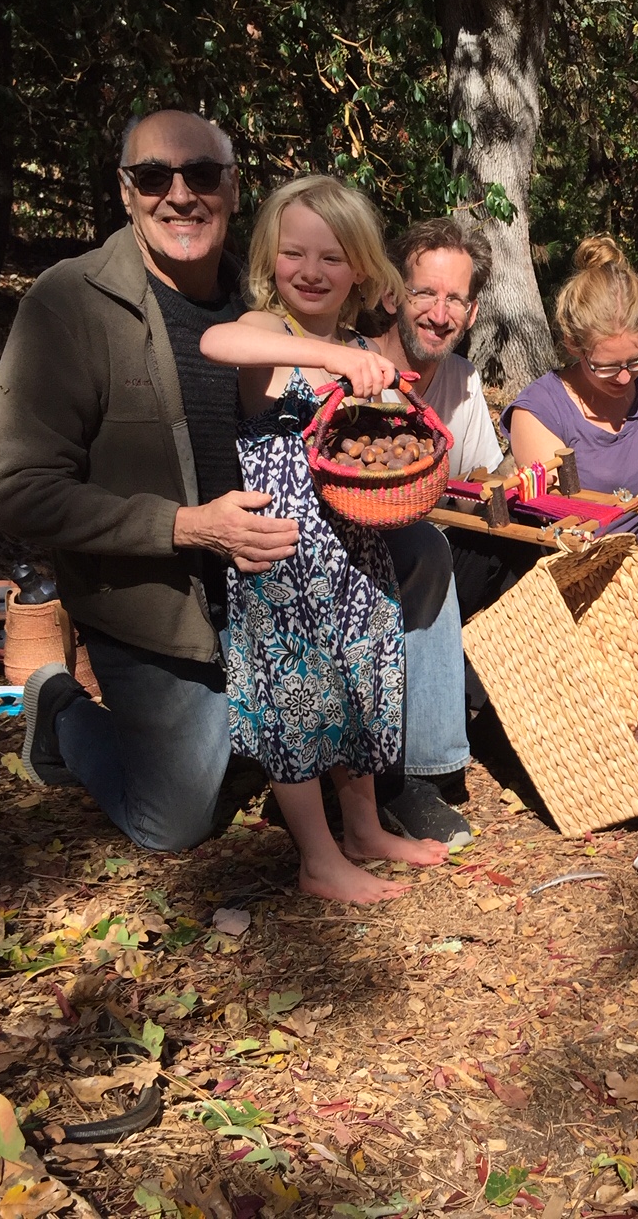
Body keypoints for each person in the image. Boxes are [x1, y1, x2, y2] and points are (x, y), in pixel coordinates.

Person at [0, 110, 292, 852]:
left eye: (202, 175)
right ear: (126, 192)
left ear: (233, 185)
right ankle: (59, 708)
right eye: (154, 176)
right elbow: (23, 490)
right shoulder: (69, 302)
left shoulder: (268, 298)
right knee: (177, 819)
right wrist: (188, 526)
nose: (180, 195)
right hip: (153, 612)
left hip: (268, 597)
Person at [199, 174, 448, 901]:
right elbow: (218, 341)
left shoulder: (358, 343)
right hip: (281, 557)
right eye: (293, 254)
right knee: (298, 700)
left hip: (351, 549)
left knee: (363, 684)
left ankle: (363, 829)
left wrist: (393, 399)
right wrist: (338, 361)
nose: (310, 271)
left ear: (363, 271)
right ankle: (317, 859)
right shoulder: (269, 332)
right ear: (270, 259)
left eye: (331, 258)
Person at [364, 218, 536, 622]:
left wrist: (524, 485)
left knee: (527, 545)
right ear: (391, 296)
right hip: (368, 574)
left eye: (455, 300)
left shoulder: (464, 378)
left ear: (472, 312)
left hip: (442, 563)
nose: (439, 315)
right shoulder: (356, 371)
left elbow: (473, 493)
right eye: (424, 294)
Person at [500, 235, 638, 536]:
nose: (624, 377)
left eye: (636, 361)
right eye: (605, 366)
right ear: (573, 344)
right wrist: (631, 506)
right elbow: (559, 522)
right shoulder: (540, 411)